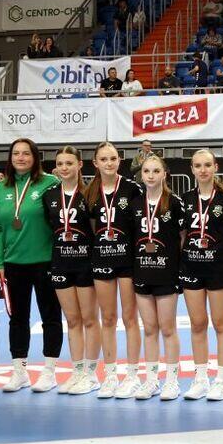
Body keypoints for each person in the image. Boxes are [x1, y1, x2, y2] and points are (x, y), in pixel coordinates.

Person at [0, 138, 63, 393]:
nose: (20, 158)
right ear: (10, 158)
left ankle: (49, 372)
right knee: (18, 319)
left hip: (46, 262)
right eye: (16, 153)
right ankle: (19, 372)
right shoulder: (0, 188)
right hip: (13, 264)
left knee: (50, 317)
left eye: (26, 153)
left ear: (35, 158)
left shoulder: (50, 183)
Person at [83, 142, 144, 398]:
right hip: (102, 260)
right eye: (104, 159)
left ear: (120, 161)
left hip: (127, 261)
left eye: (113, 158)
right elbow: (93, 227)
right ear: (95, 163)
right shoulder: (90, 192)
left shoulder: (132, 189)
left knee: (130, 318)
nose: (109, 163)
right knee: (107, 318)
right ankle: (110, 375)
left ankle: (132, 375)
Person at [179, 150, 223, 401]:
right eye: (198, 166)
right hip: (191, 267)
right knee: (197, 323)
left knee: (220, 323)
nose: (202, 170)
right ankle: (201, 378)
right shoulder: (185, 199)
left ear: (216, 167)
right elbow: (182, 236)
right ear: (192, 169)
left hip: (218, 268)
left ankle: (222, 380)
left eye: (207, 165)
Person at [43, 146, 100, 395]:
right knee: (73, 320)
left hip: (85, 264)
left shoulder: (89, 194)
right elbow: (50, 228)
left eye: (69, 163)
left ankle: (91, 374)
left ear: (80, 165)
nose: (64, 168)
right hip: (61, 263)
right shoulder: (49, 196)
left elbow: (96, 230)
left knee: (89, 319)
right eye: (60, 164)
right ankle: (77, 372)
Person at [131, 153, 188, 400]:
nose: (151, 175)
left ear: (165, 174)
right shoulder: (135, 203)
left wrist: (175, 266)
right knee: (149, 328)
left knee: (167, 328)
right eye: (147, 171)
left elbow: (183, 237)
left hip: (166, 272)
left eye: (156, 171)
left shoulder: (174, 202)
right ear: (141, 175)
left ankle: (172, 381)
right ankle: (151, 380)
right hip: (142, 271)